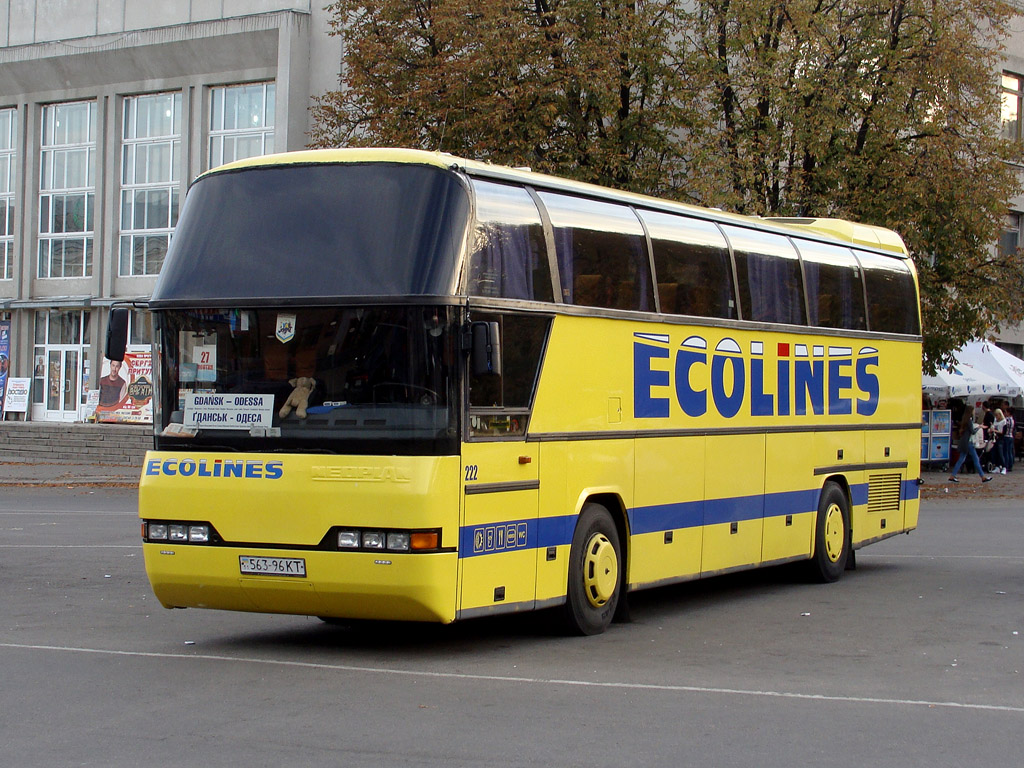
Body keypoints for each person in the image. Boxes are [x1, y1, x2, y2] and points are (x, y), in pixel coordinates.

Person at [949, 411, 992, 483]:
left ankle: (953, 475)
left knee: (961, 459)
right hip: (969, 442)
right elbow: (973, 431)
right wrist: (979, 427)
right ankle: (983, 476)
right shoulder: (969, 421)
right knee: (976, 459)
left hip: (965, 442)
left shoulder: (966, 421)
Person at [990, 408, 1008, 473]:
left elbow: (1003, 432)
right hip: (995, 438)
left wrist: (995, 430)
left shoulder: (1004, 422)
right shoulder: (995, 420)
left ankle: (1004, 467)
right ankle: (997, 466)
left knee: (1001, 453)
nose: (996, 417)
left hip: (1001, 439)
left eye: (997, 415)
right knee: (995, 453)